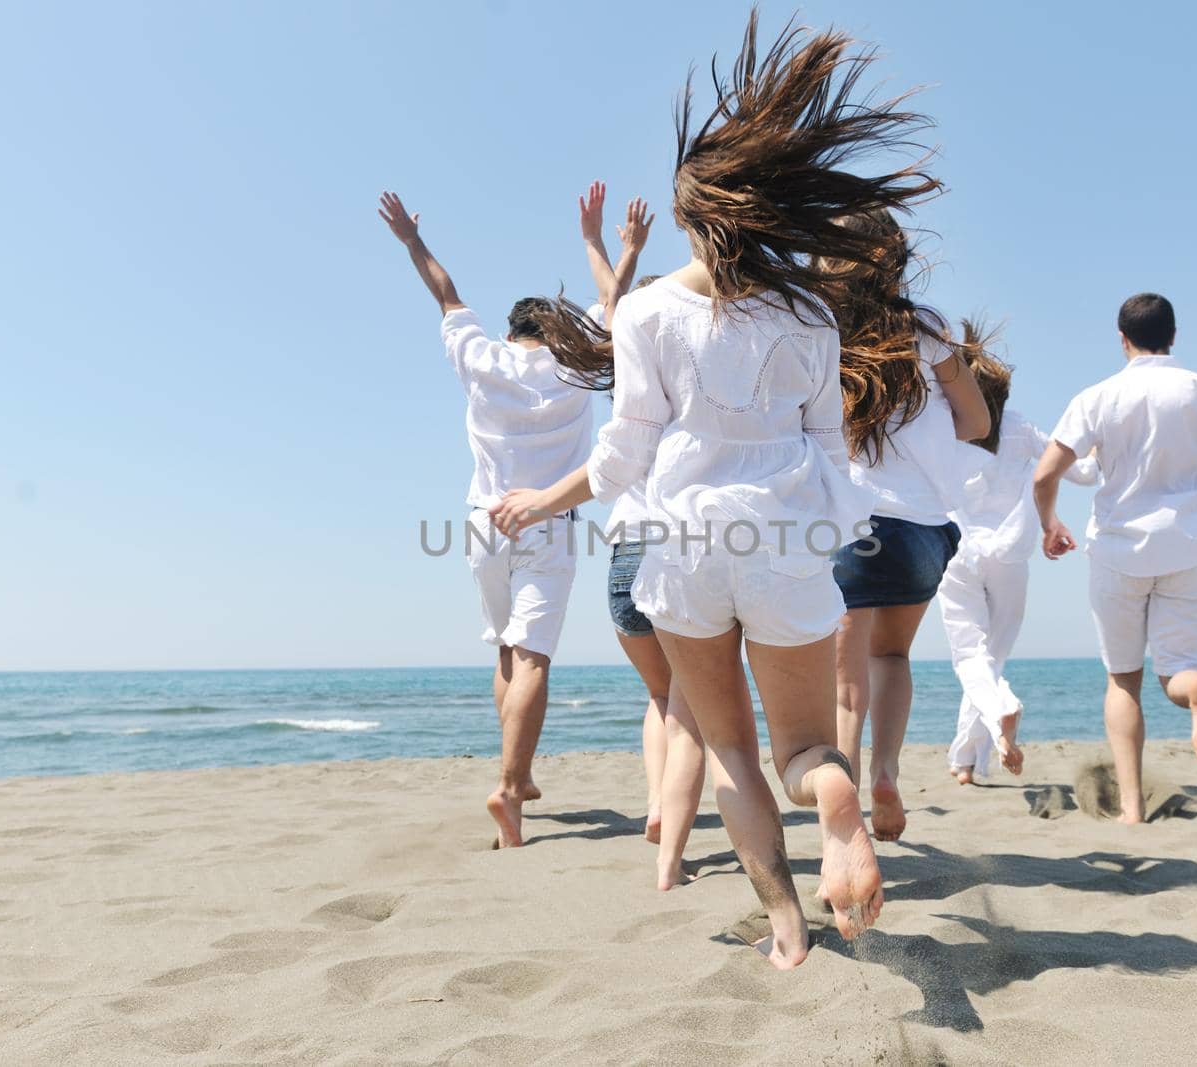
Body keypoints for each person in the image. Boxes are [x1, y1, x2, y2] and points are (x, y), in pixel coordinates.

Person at [491, 13, 935, 968]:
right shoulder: (812, 315)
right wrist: (828, 538)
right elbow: (832, 452)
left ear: (693, 217)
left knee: (728, 750)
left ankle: (784, 925)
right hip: (783, 545)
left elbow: (625, 453)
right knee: (805, 744)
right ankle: (833, 796)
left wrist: (544, 501)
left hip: (686, 549)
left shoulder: (647, 310)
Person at [376, 191, 591, 848]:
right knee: (533, 656)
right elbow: (616, 302)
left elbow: (446, 292)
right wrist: (612, 244)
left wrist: (411, 240)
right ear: (557, 333)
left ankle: (517, 779)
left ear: (509, 331)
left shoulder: (480, 356)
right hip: (547, 519)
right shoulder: (577, 366)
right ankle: (508, 783)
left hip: (482, 521)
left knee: (504, 647)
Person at [1034, 292, 1197, 823]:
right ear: (1173, 335)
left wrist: (1050, 524)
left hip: (1118, 551)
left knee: (1124, 679)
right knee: (1179, 673)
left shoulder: (1098, 397)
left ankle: (1132, 808)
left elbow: (1044, 474)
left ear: (1122, 339)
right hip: (1188, 548)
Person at [822, 208, 992, 840]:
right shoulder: (929, 328)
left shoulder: (816, 329)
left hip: (850, 524)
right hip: (923, 530)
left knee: (843, 689)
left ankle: (841, 818)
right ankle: (886, 773)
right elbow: (976, 423)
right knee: (891, 655)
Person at [566, 181, 709, 890]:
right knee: (690, 706)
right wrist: (615, 247)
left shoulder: (622, 368)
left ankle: (656, 803)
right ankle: (672, 851)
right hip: (678, 549)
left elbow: (617, 308)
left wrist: (604, 244)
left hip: (623, 556)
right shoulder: (694, 365)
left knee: (662, 698)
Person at [937, 353, 1097, 784]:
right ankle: (968, 759)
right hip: (1009, 557)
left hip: (954, 554)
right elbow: (1080, 473)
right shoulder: (1020, 427)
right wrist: (1095, 451)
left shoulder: (944, 430)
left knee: (971, 656)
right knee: (992, 657)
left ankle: (970, 754)